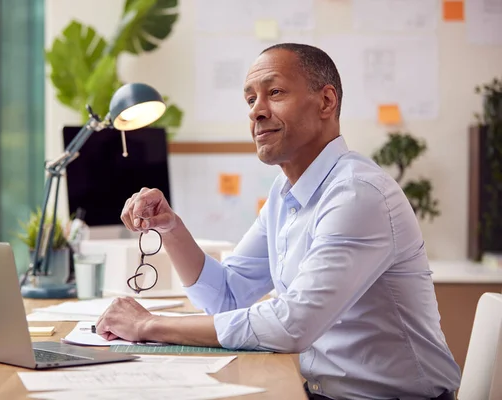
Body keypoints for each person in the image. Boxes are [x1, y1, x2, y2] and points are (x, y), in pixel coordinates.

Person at [94, 43, 461, 400]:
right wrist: (171, 229)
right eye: (250, 99)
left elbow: (290, 325)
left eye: (275, 92)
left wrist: (147, 326)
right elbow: (227, 296)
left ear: (326, 101)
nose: (257, 111)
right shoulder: (284, 194)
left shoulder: (357, 194)